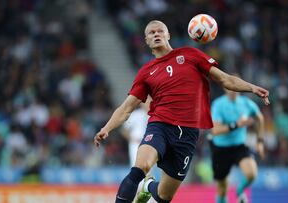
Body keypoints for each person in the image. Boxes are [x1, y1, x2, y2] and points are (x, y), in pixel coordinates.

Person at [93, 20, 270, 203]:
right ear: (146, 40)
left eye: (160, 31)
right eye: (151, 33)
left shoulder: (190, 55)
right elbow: (126, 108)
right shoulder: (146, 72)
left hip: (188, 133)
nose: (156, 34)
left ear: (168, 35)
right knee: (141, 167)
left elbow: (226, 80)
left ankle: (148, 186)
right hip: (159, 125)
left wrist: (252, 88)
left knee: (164, 196)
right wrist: (107, 128)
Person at [209, 89, 265, 203]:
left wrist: (259, 141)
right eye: (230, 87)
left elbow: (260, 118)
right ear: (225, 88)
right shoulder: (218, 104)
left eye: (235, 87)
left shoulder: (246, 103)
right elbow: (215, 130)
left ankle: (239, 191)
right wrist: (237, 124)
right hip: (220, 148)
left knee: (251, 174)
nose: (233, 90)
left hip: (239, 146)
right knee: (222, 189)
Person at [121, 98, 150, 166]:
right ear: (142, 103)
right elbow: (124, 130)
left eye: (150, 102)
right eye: (146, 102)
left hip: (150, 144)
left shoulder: (155, 115)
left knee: (149, 167)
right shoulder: (135, 115)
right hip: (136, 144)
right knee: (136, 166)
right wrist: (133, 139)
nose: (148, 104)